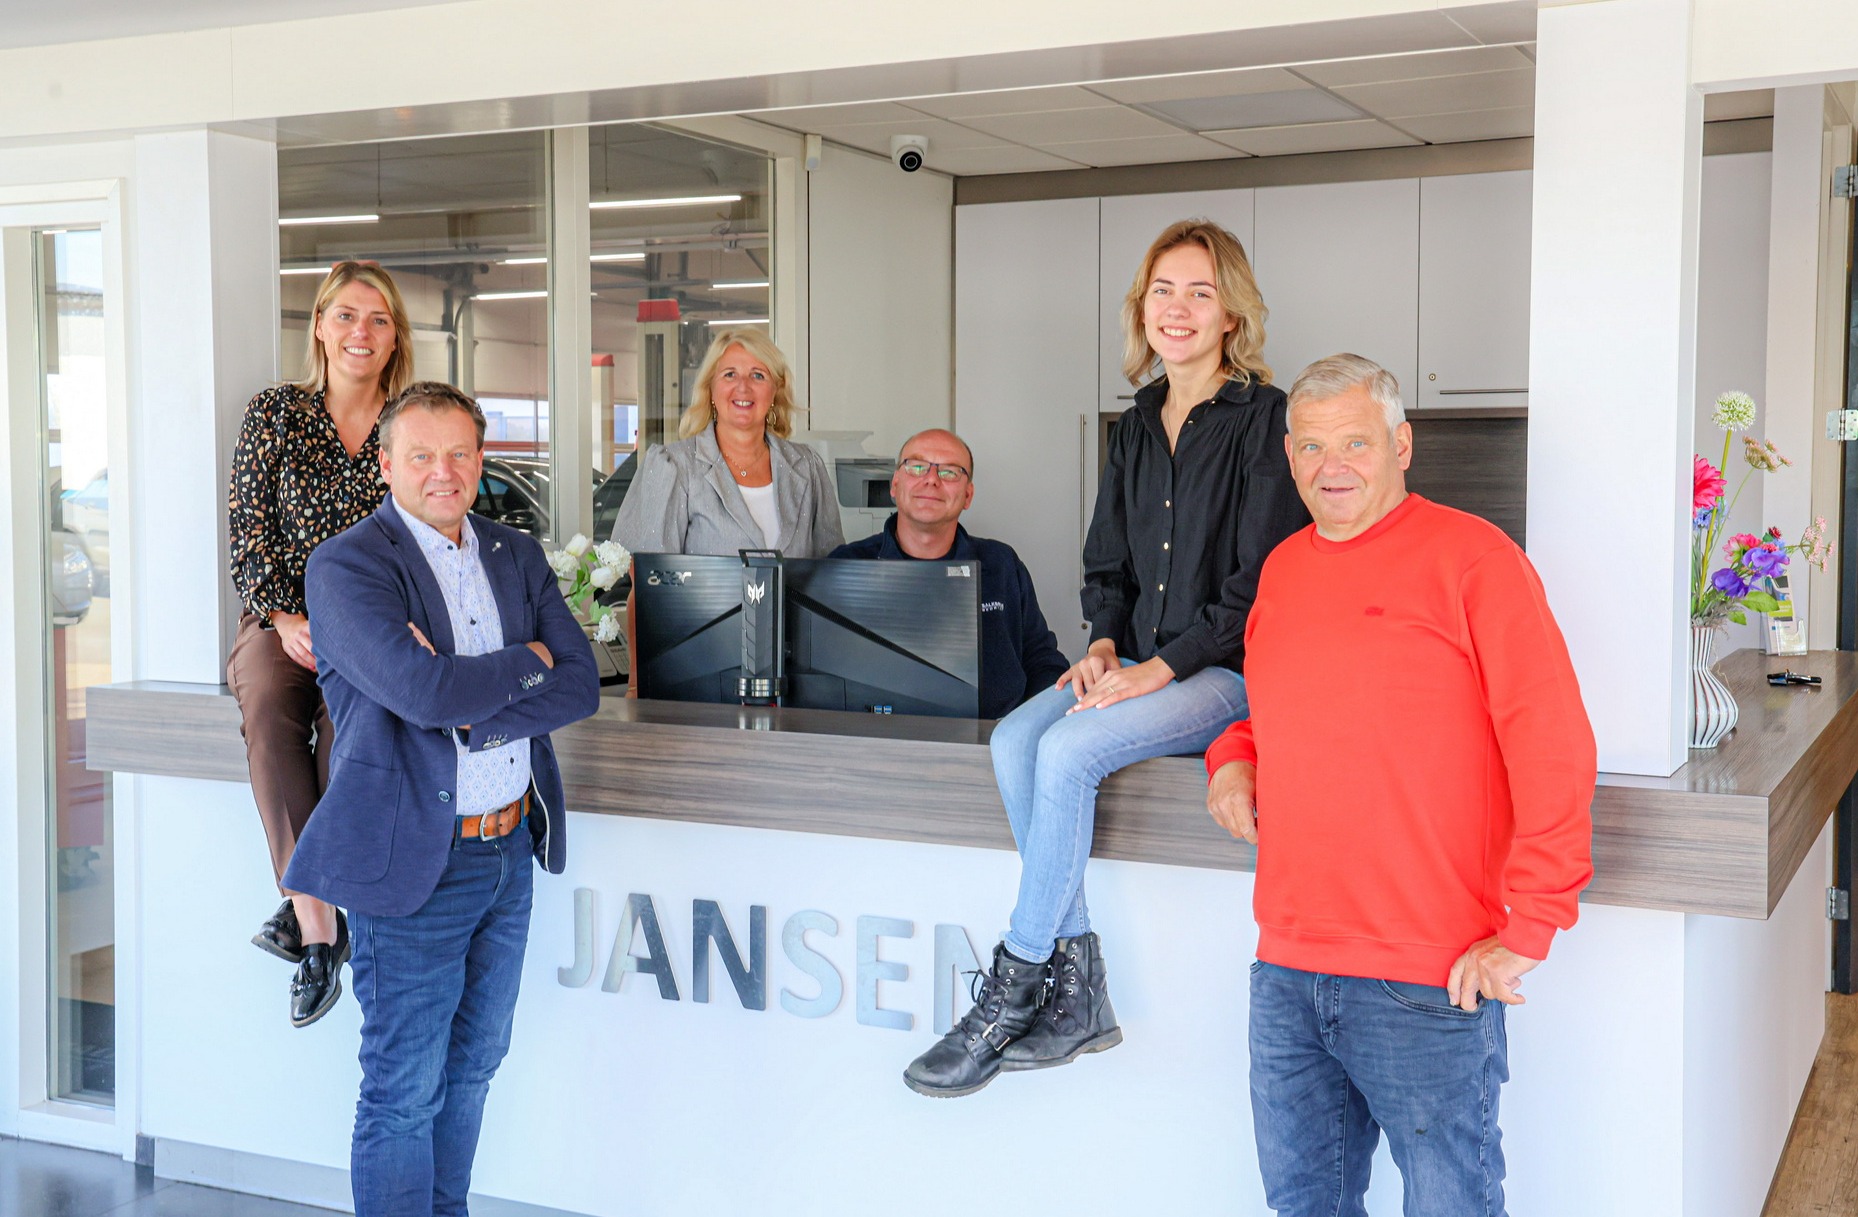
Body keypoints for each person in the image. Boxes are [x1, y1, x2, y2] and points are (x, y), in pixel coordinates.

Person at [903, 220, 1311, 1098]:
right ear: (1142, 308)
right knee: (1015, 740)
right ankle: (1079, 984)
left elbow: (1257, 585)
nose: (1178, 308)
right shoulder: (1132, 426)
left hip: (1223, 675)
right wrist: (1099, 645)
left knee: (1069, 751)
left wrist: (1158, 668)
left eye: (1200, 292)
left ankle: (1015, 983)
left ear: (1231, 313)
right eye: (1163, 291)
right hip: (1134, 661)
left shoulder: (1265, 420)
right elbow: (1107, 564)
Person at [1204, 354, 1596, 1216]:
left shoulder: (1475, 559)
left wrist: (1533, 924)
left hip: (1429, 975)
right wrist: (1231, 756)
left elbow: (1553, 742)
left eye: (1355, 442)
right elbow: (1273, 707)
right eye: (1311, 447)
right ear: (1289, 455)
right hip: (1287, 969)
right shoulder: (1282, 569)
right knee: (1304, 1206)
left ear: (1401, 445)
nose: (1332, 466)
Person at [282, 382, 598, 1217]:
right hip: (413, 860)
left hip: (508, 852)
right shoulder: (348, 565)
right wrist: (524, 660)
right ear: (386, 465)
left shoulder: (514, 553)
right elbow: (424, 694)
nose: (442, 471)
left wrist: (471, 700)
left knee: (476, 1065)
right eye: (420, 454)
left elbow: (579, 685)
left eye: (459, 452)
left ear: (482, 459)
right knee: (403, 1090)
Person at [226, 260, 414, 1026]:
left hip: (370, 627)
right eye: (345, 315)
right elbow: (248, 532)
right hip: (280, 620)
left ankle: (307, 904)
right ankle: (319, 925)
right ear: (319, 326)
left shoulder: (410, 426)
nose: (359, 332)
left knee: (352, 736)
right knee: (268, 708)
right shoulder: (275, 413)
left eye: (377, 319)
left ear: (395, 336)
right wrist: (283, 616)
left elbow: (426, 537)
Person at [830, 428, 1068, 719]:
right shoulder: (847, 565)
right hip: (876, 737)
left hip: (994, 737)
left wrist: (1020, 728)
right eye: (916, 467)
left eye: (950, 472)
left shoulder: (1001, 564)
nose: (931, 479)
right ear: (895, 485)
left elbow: (1043, 661)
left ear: (968, 495)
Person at [612, 326, 843, 559]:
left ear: (775, 390)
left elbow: (834, 570)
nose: (743, 386)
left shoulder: (807, 466)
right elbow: (641, 574)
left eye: (758, 375)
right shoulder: (674, 467)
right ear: (710, 388)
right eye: (730, 374)